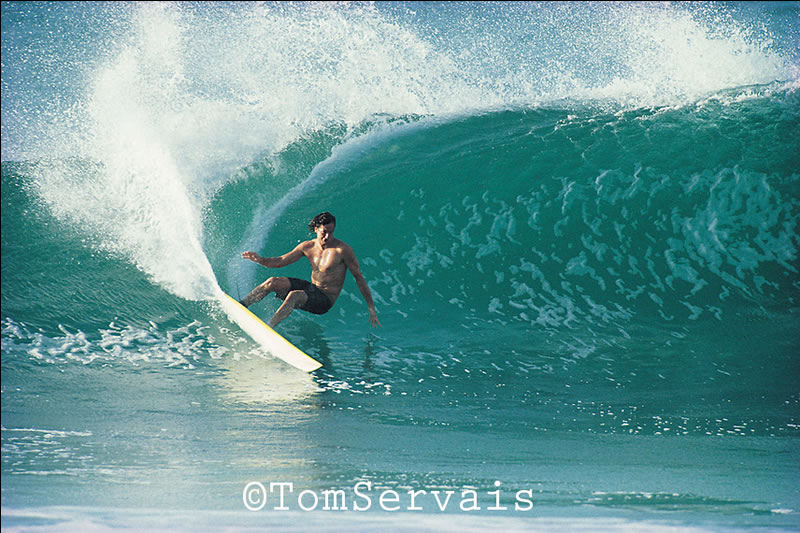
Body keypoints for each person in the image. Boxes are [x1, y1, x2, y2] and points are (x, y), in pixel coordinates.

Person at [240, 212, 381, 329]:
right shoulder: (307, 247)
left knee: (294, 295)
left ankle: (269, 327)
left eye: (331, 232)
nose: (327, 237)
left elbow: (359, 278)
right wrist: (260, 260)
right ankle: (242, 305)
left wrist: (371, 308)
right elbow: (280, 261)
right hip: (311, 289)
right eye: (324, 232)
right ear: (316, 229)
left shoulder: (342, 250)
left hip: (325, 299)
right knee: (272, 282)